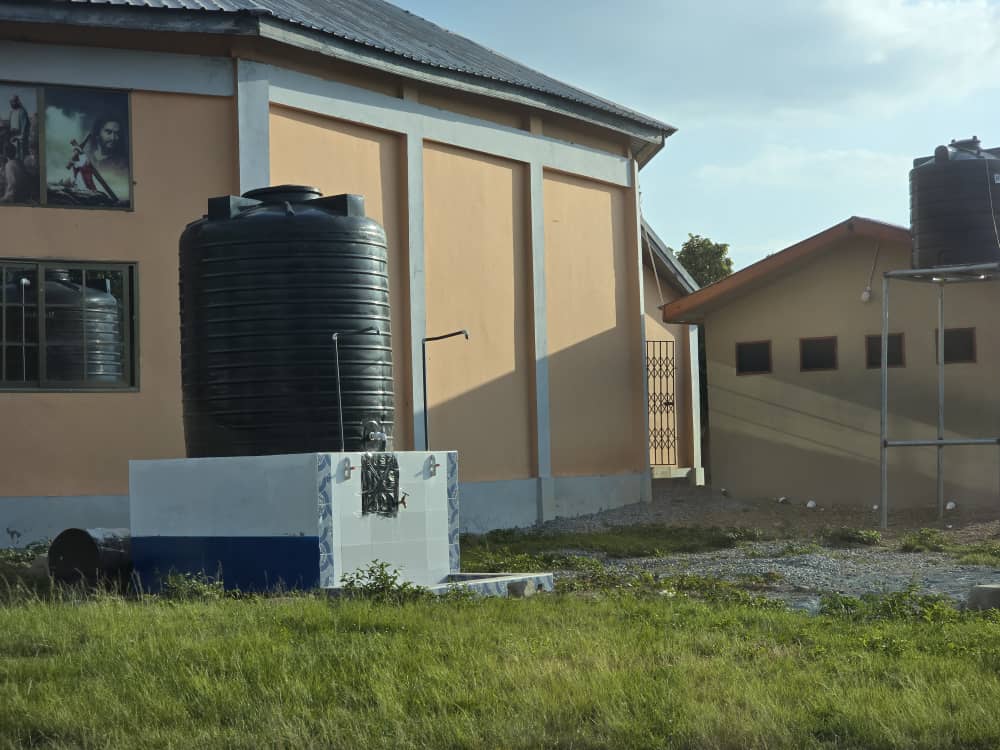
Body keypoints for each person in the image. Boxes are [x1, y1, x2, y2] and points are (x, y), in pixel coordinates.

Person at [7, 95, 30, 163]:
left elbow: (25, 127)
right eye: (10, 102)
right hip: (12, 140)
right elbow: (10, 125)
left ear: (17, 102)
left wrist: (19, 138)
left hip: (20, 142)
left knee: (21, 159)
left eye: (13, 101)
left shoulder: (22, 112)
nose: (11, 103)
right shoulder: (11, 112)